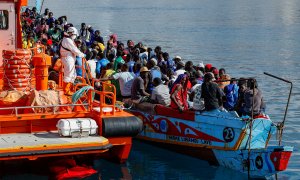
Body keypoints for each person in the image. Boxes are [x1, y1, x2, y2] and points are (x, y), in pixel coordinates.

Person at [60, 27, 85, 95]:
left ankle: (69, 89)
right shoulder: (68, 40)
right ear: (71, 33)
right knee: (69, 75)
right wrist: (82, 55)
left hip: (69, 59)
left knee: (73, 74)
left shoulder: (67, 39)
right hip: (68, 59)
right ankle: (66, 90)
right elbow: (74, 49)